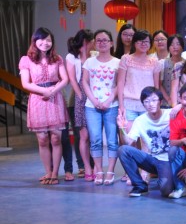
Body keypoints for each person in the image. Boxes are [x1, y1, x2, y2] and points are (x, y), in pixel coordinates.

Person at [18, 27, 69, 185]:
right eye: (42, 39)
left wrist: (52, 91)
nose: (45, 43)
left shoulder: (57, 58)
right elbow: (25, 83)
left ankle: (55, 173)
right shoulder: (26, 60)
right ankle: (48, 171)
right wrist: (44, 91)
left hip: (55, 98)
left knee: (56, 138)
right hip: (37, 99)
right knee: (42, 140)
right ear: (35, 41)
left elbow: (65, 79)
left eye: (48, 40)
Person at [116, 87, 173, 197]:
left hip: (168, 160)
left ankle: (174, 178)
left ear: (160, 102)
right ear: (143, 104)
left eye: (154, 100)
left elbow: (185, 108)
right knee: (123, 150)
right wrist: (122, 128)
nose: (150, 104)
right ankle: (140, 185)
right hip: (153, 159)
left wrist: (177, 106)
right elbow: (128, 142)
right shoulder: (140, 120)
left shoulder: (170, 114)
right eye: (146, 101)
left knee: (166, 191)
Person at [82, 29, 120, 186]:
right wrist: (94, 100)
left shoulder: (118, 62)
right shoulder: (89, 62)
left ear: (111, 43)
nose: (102, 43)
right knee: (95, 139)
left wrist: (109, 100)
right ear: (95, 43)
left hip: (112, 105)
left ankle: (110, 171)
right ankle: (98, 170)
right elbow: (85, 82)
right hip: (92, 106)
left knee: (112, 140)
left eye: (105, 40)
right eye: (99, 40)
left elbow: (119, 84)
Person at [117, 29, 162, 132]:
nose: (143, 44)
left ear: (150, 44)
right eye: (140, 41)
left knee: (146, 137)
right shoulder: (126, 59)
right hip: (129, 104)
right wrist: (121, 105)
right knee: (129, 136)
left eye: (146, 41)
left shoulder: (155, 62)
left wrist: (156, 105)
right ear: (134, 42)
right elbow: (120, 83)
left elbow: (156, 87)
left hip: (148, 105)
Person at [64, 29, 94, 182]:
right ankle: (84, 166)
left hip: (94, 96)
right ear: (85, 41)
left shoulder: (94, 55)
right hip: (79, 98)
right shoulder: (71, 57)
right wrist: (81, 96)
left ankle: (94, 166)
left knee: (93, 135)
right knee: (82, 135)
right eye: (91, 40)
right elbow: (72, 79)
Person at [160, 34, 184, 108]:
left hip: (183, 103)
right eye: (172, 44)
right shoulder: (162, 63)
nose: (175, 47)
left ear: (182, 47)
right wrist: (168, 99)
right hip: (165, 103)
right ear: (168, 48)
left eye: (178, 44)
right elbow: (159, 84)